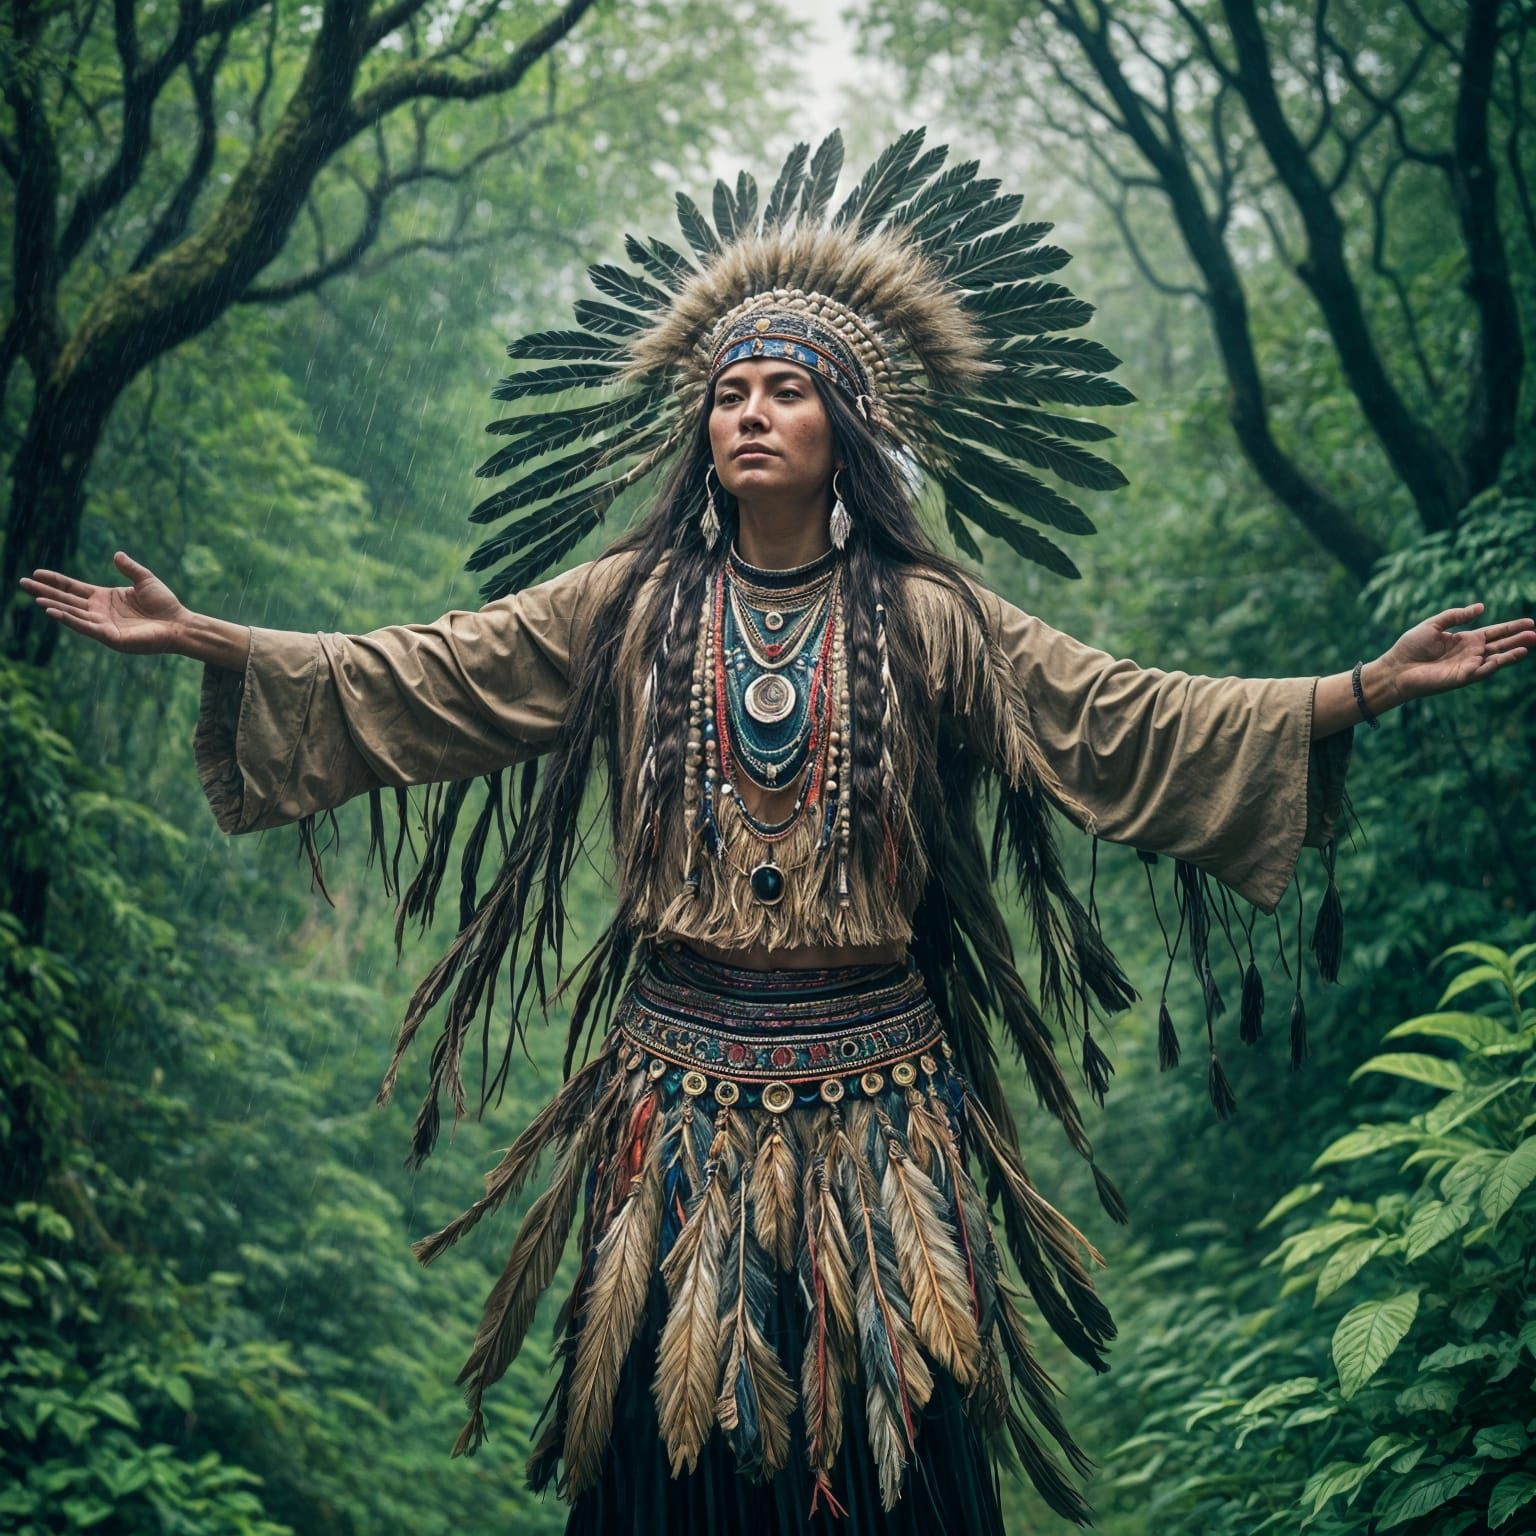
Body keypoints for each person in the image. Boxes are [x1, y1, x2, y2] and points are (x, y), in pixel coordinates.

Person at [19, 129, 1532, 1533]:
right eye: (729, 394)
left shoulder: (932, 621)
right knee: (668, 1463)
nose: (750, 412)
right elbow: (427, 671)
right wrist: (215, 638)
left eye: (784, 390)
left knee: (894, 1468)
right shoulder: (626, 606)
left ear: (847, 424)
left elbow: (1120, 719)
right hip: (670, 1101)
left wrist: (1355, 689)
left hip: (885, 1113)